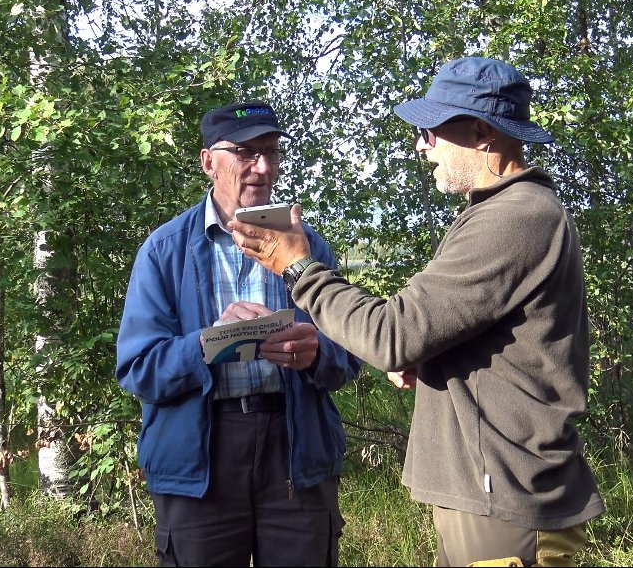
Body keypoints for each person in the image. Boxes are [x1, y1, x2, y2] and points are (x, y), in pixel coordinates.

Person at [231, 57, 605, 567]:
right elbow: (468, 336)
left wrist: (299, 268)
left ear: (480, 132)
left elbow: (391, 335)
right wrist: (432, 362)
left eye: (431, 130)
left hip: (508, 498)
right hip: (491, 491)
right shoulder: (500, 213)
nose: (420, 145)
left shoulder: (515, 218)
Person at [115, 101, 361, 567]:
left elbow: (349, 352)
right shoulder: (165, 251)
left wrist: (317, 354)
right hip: (200, 457)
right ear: (209, 162)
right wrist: (209, 342)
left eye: (271, 152)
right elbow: (138, 370)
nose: (263, 167)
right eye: (246, 153)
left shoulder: (307, 246)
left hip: (294, 451)